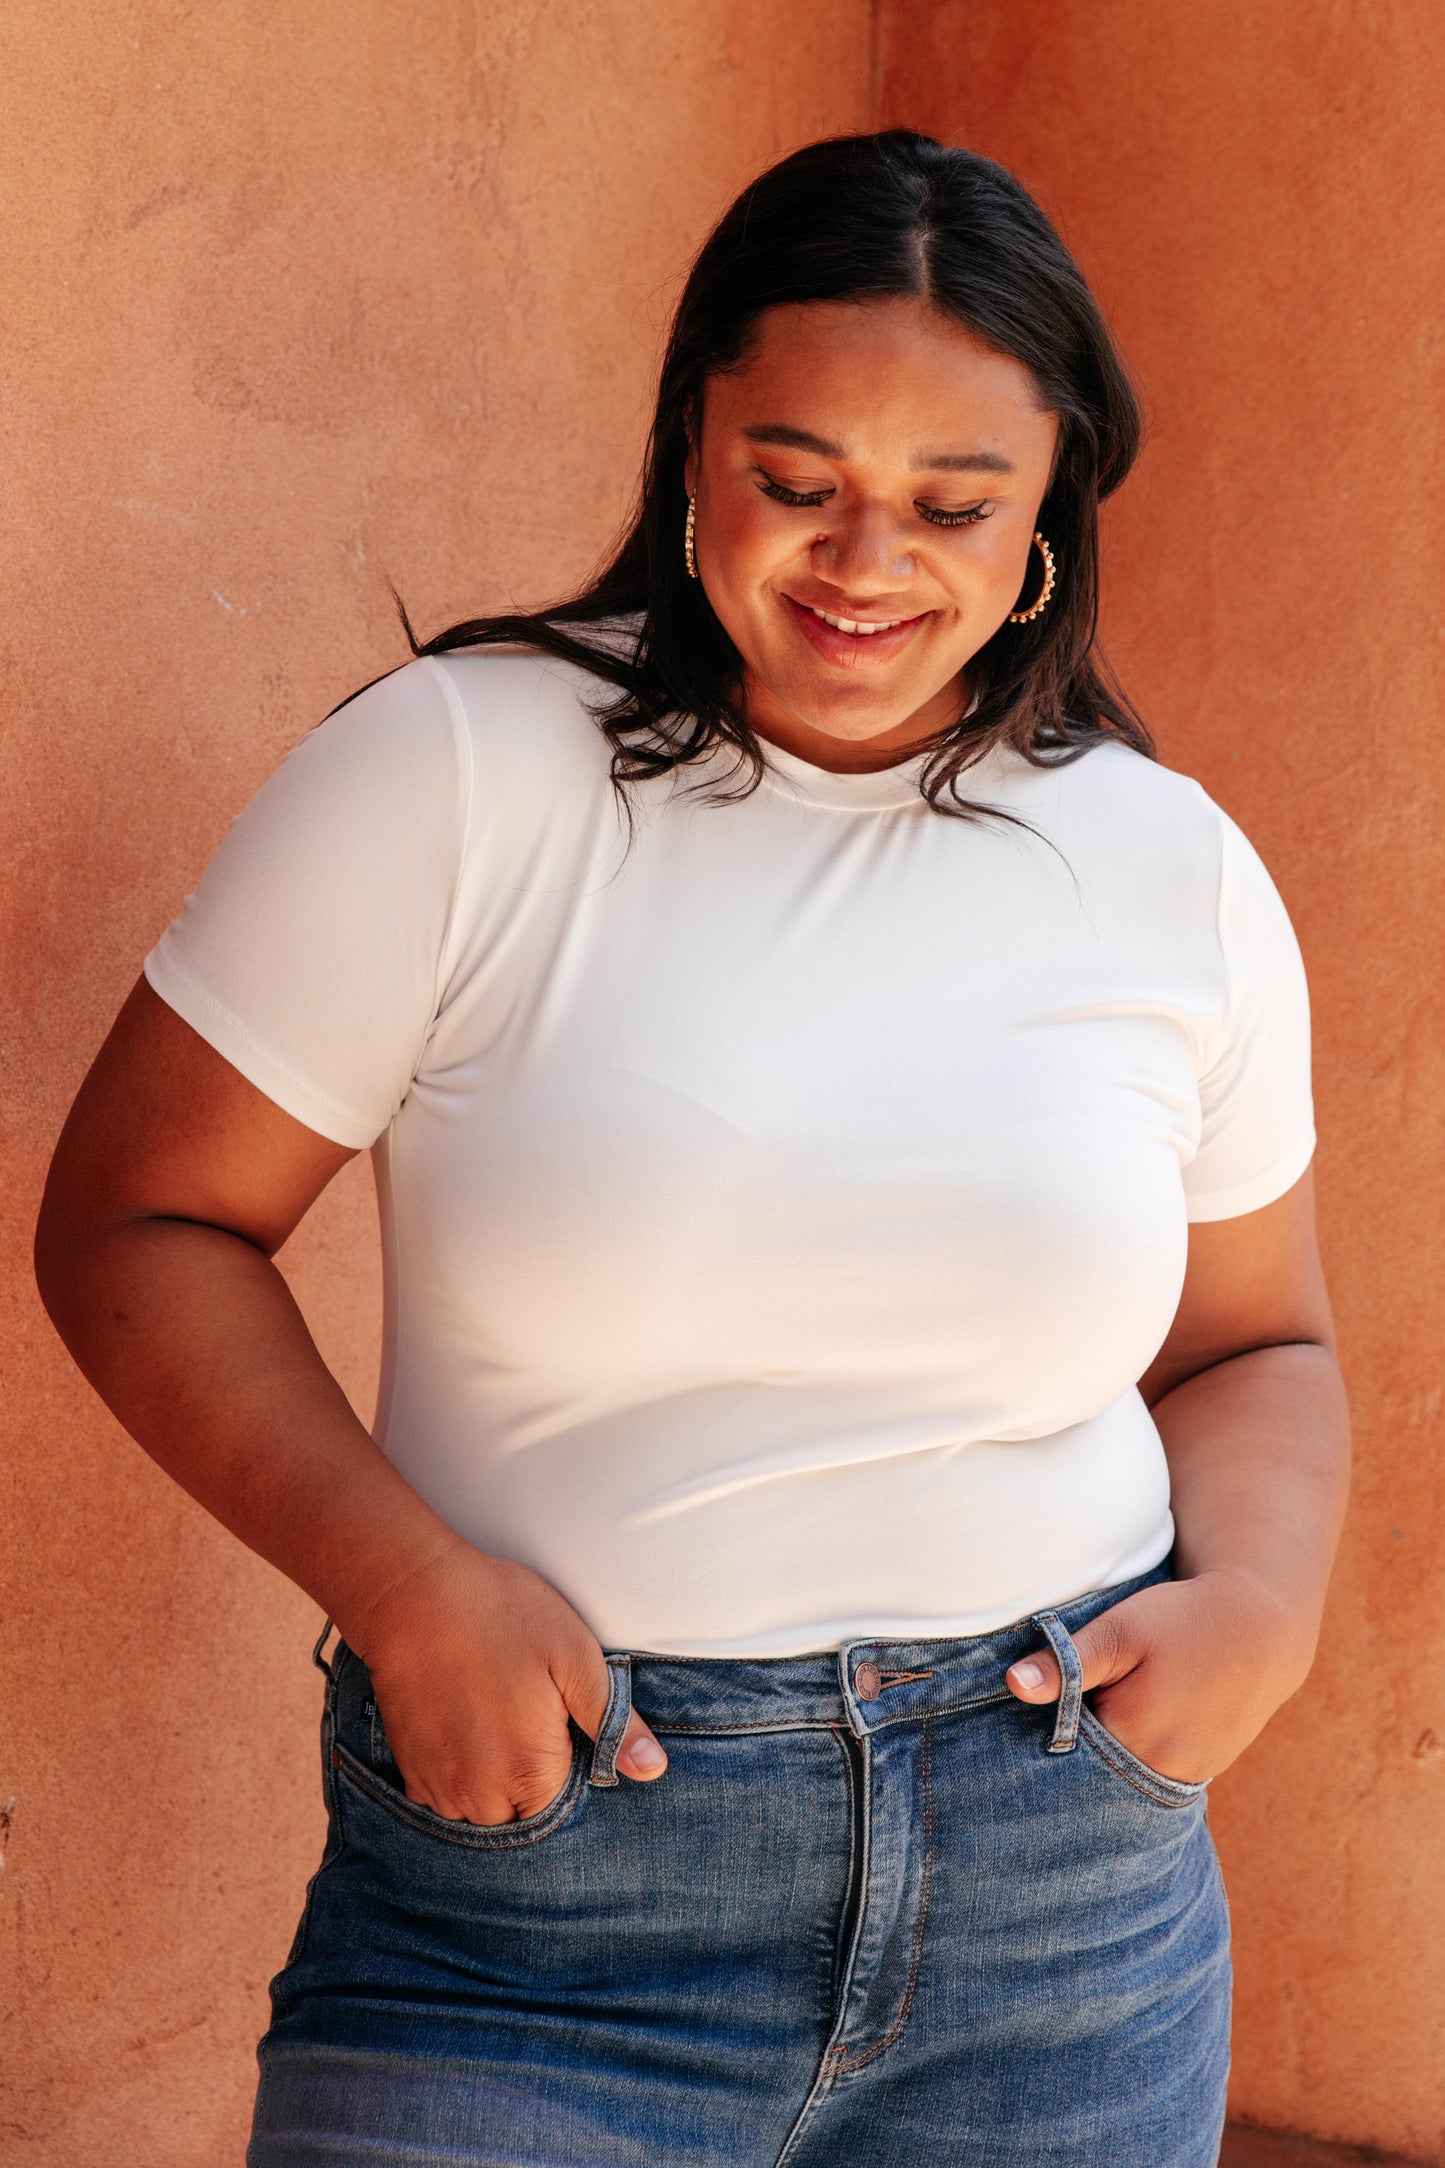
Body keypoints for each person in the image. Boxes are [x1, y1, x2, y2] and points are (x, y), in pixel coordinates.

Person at [35, 130, 1348, 2167]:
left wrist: (1260, 1603)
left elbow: (1255, 1343)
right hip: (541, 1888)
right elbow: (140, 1215)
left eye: (952, 504)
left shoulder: (1163, 864)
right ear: (689, 454)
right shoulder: (458, 775)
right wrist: (407, 1589)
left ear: (1047, 520)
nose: (864, 561)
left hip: (1062, 1907)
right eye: (796, 479)